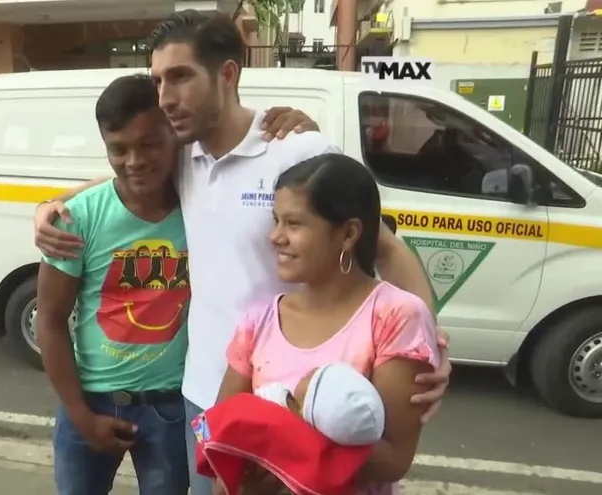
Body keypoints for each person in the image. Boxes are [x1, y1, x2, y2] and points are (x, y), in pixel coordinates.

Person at [34, 11, 452, 495]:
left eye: (180, 77)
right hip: (205, 394)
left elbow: (383, 245)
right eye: (157, 79)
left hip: (298, 397)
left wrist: (433, 346)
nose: (165, 96)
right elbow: (122, 178)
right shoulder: (183, 155)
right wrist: (50, 205)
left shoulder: (296, 148)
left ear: (228, 74)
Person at [216, 153, 440, 494]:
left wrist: (285, 454)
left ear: (348, 233)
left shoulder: (396, 316)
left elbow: (394, 457)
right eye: (276, 220)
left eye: (294, 224)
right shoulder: (258, 319)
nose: (276, 237)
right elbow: (222, 429)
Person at [37, 74, 192, 495]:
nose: (134, 161)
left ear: (173, 137)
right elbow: (49, 320)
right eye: (118, 149)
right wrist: (81, 415)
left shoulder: (201, 207)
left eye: (149, 144)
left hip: (172, 407)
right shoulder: (80, 217)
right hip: (90, 402)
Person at [197, 363, 387, 495]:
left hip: (218, 442)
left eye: (314, 377)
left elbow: (214, 421)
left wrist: (202, 432)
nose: (309, 371)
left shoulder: (274, 407)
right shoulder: (328, 458)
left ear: (309, 405)